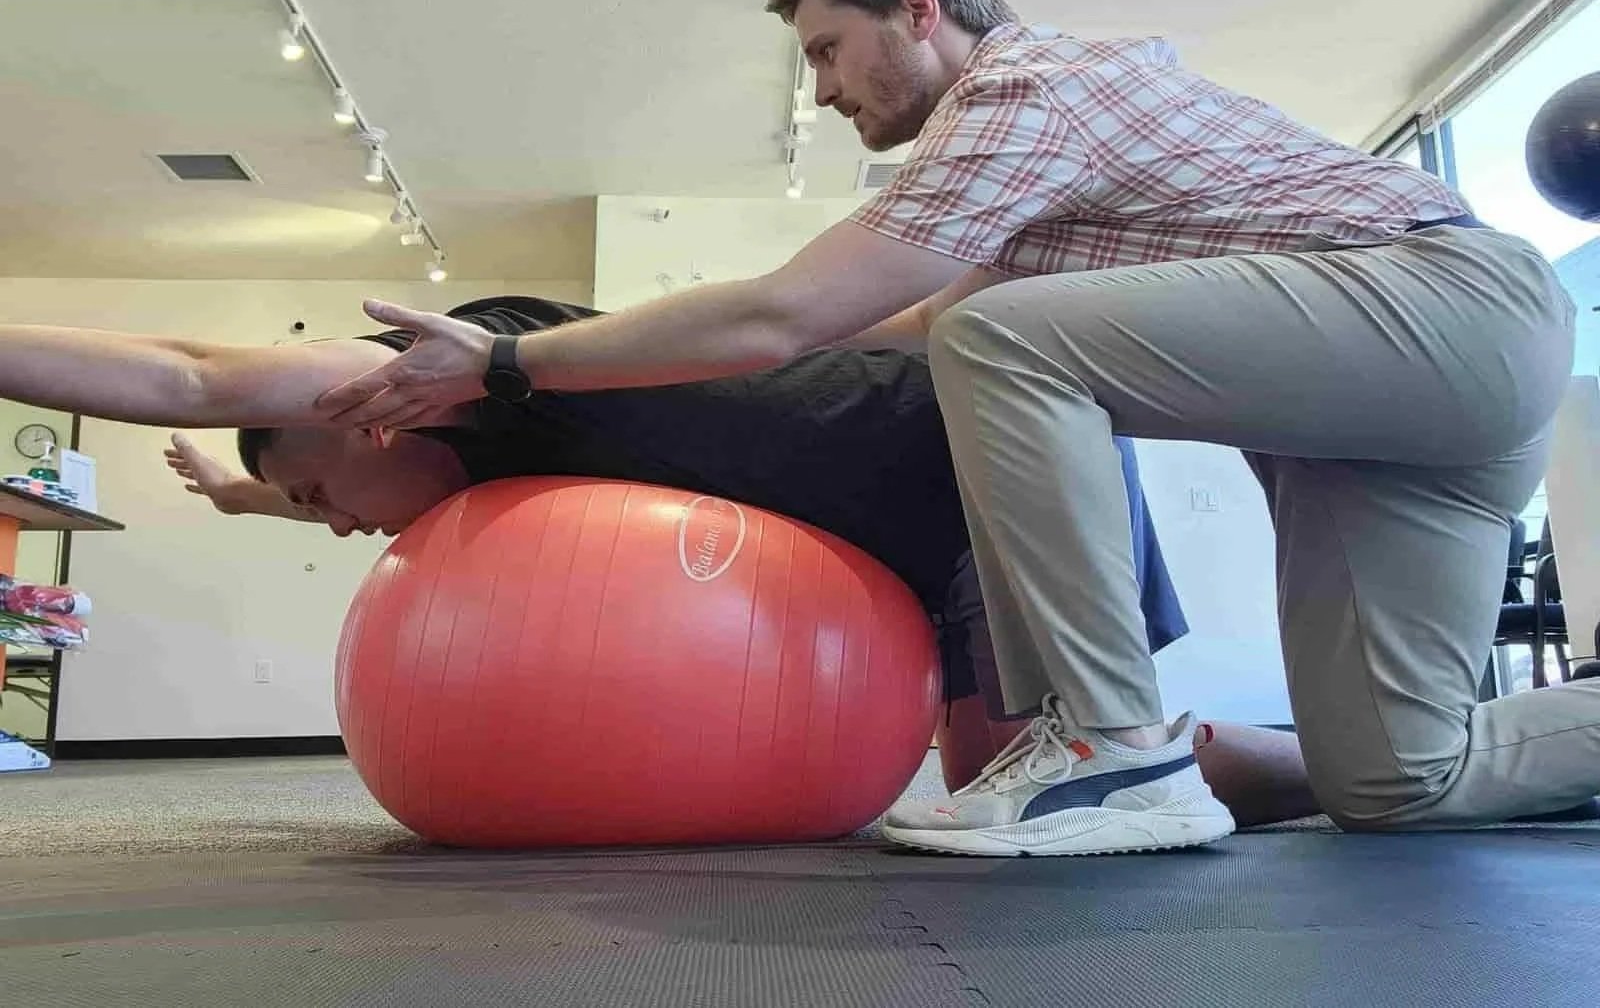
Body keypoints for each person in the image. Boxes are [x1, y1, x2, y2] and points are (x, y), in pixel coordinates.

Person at [314, 0, 1600, 855]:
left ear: (917, 7)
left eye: (828, 50)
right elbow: (844, 326)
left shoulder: (1020, 93)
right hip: (1401, 402)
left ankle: (1112, 749)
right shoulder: (1020, 187)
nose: (821, 89)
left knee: (998, 340)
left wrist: (504, 359)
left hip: (1452, 307)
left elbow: (789, 315)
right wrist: (629, 368)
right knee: (1395, 779)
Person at [0, 295, 1316, 824]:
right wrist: (253, 503)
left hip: (972, 462)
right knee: (1036, 787)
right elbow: (367, 499)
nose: (336, 522)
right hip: (920, 524)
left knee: (1070, 790)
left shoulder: (455, 373)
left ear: (372, 411)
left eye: (318, 488)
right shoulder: (458, 463)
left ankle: (1381, 775)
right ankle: (1371, 775)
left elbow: (185, 371)